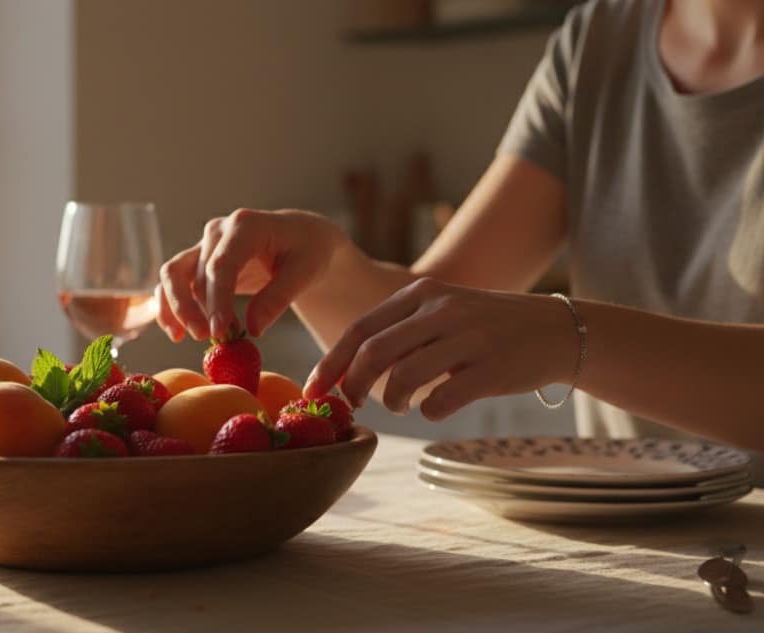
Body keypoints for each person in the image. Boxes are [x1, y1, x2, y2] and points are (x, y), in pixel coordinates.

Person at [154, 0, 764, 456]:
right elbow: (426, 348)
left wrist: (569, 337)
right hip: (647, 553)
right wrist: (325, 263)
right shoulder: (597, 44)